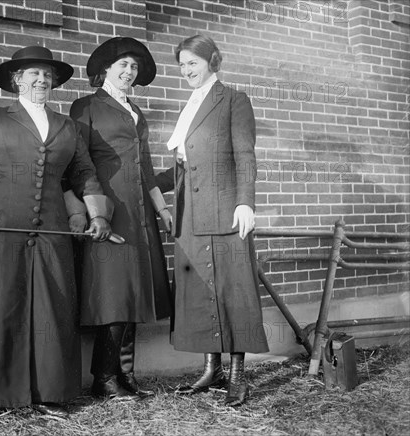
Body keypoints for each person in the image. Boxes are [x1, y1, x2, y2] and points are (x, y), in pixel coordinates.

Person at [0, 45, 113, 426]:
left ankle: (48, 393)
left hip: (51, 227)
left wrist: (97, 214)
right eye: (34, 74)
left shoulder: (68, 126)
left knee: (51, 308)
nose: (42, 80)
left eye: (47, 75)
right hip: (0, 226)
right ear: (18, 79)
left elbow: (84, 173)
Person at [158, 34, 269, 407]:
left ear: (212, 61)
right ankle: (212, 369)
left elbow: (246, 156)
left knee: (232, 290)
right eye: (182, 65)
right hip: (190, 212)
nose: (187, 70)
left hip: (225, 210)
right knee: (201, 289)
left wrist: (245, 203)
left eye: (193, 62)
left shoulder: (234, 100)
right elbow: (182, 164)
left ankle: (238, 375)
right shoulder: (188, 106)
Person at [65, 37, 173, 401]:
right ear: (106, 69)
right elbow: (75, 163)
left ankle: (126, 374)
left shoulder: (136, 112)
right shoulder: (86, 107)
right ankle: (103, 378)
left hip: (140, 213)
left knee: (135, 292)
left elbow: (146, 169)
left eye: (135, 67)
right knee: (113, 293)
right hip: (108, 212)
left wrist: (162, 209)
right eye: (123, 65)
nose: (130, 72)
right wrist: (87, 211)